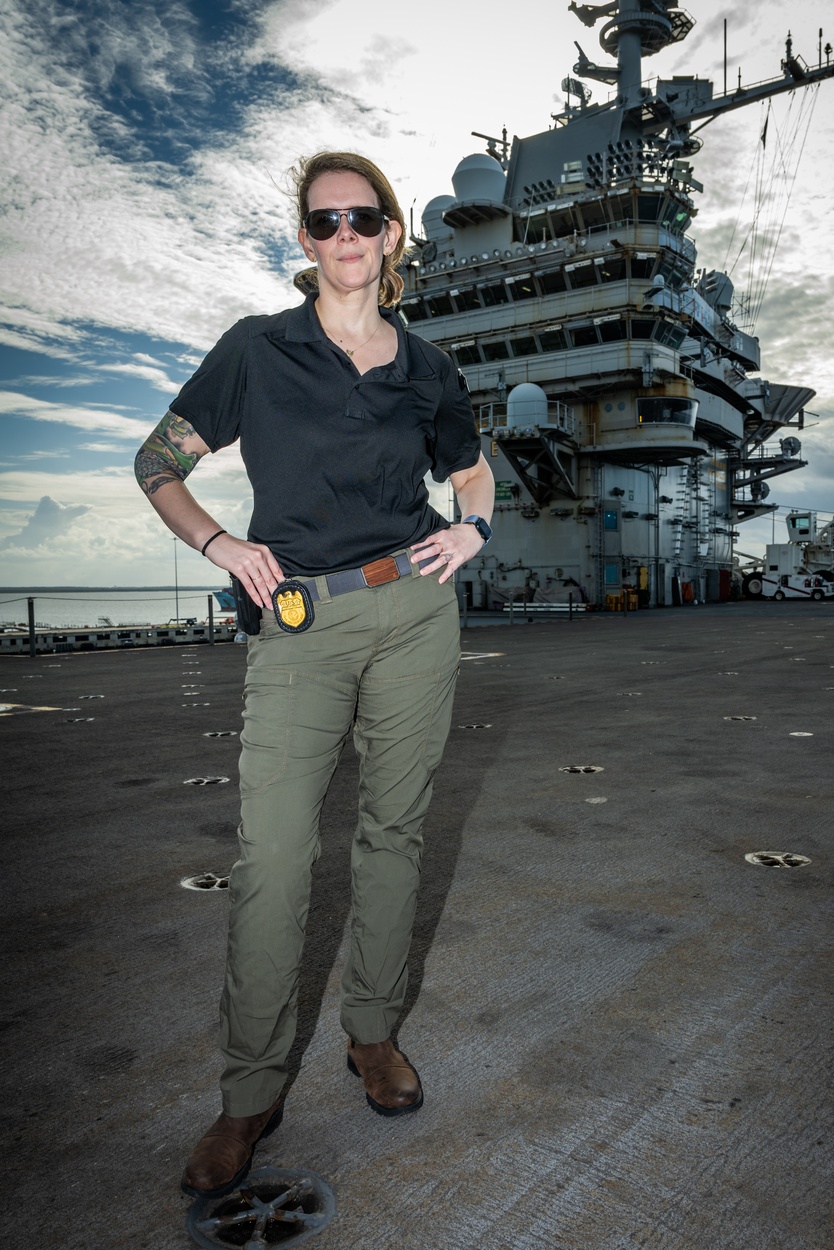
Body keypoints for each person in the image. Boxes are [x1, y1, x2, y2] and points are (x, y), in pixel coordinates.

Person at [134, 151, 494, 1198]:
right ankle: (249, 1092)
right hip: (297, 623)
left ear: (391, 236)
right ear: (305, 241)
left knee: (394, 829)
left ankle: (371, 1035)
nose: (343, 234)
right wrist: (218, 546)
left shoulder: (428, 367)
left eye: (362, 217)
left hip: (414, 608)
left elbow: (468, 464)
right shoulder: (258, 349)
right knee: (276, 854)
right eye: (323, 220)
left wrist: (473, 526)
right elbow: (159, 461)